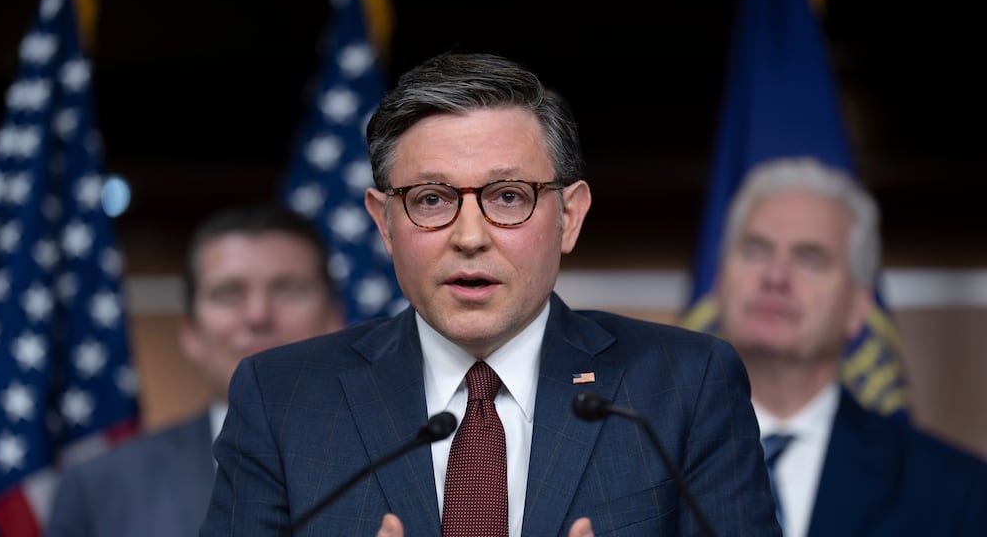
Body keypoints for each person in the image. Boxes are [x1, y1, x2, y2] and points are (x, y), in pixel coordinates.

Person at [200, 52, 781, 537]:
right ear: (384, 223)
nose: (470, 237)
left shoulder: (685, 387)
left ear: (570, 217)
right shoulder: (282, 399)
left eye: (508, 196)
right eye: (431, 200)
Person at [713, 157, 987, 537]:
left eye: (810, 258)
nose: (775, 276)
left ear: (858, 307)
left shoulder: (956, 491)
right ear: (720, 281)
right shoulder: (647, 456)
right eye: (757, 250)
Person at [46, 203, 344, 537]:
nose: (258, 315)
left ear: (335, 319)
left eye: (287, 289)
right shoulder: (98, 488)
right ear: (190, 330)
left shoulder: (390, 458)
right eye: (229, 293)